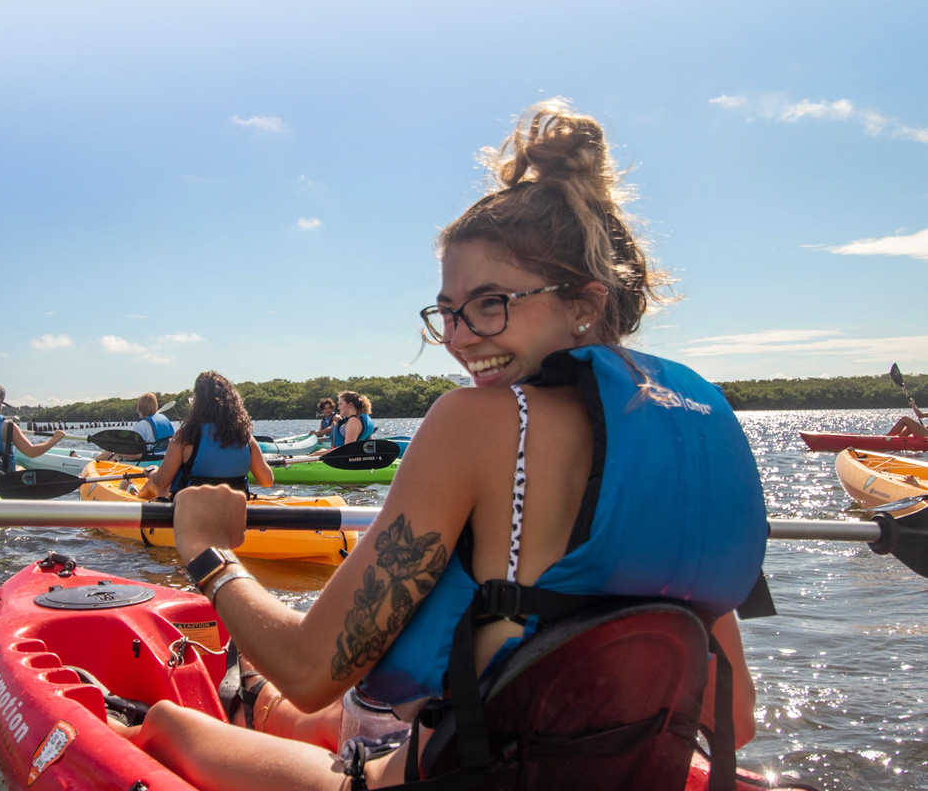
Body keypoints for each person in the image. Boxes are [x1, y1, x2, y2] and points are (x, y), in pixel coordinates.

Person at [117, 100, 768, 789]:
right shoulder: (690, 428)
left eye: (490, 304)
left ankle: (153, 726)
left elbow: (310, 672)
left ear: (585, 301)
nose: (458, 337)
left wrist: (207, 550)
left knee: (175, 721)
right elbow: (740, 716)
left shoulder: (476, 422)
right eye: (448, 312)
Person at [136, 372, 274, 499]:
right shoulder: (245, 438)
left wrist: (151, 472)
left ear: (198, 404)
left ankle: (134, 499)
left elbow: (161, 482)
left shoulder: (186, 436)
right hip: (232, 516)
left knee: (157, 487)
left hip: (192, 517)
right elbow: (267, 481)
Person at [99, 392, 175, 461]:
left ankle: (95, 463)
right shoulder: (165, 421)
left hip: (146, 459)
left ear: (140, 408)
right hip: (163, 458)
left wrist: (117, 454)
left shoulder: (142, 425)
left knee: (112, 451)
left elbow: (137, 455)